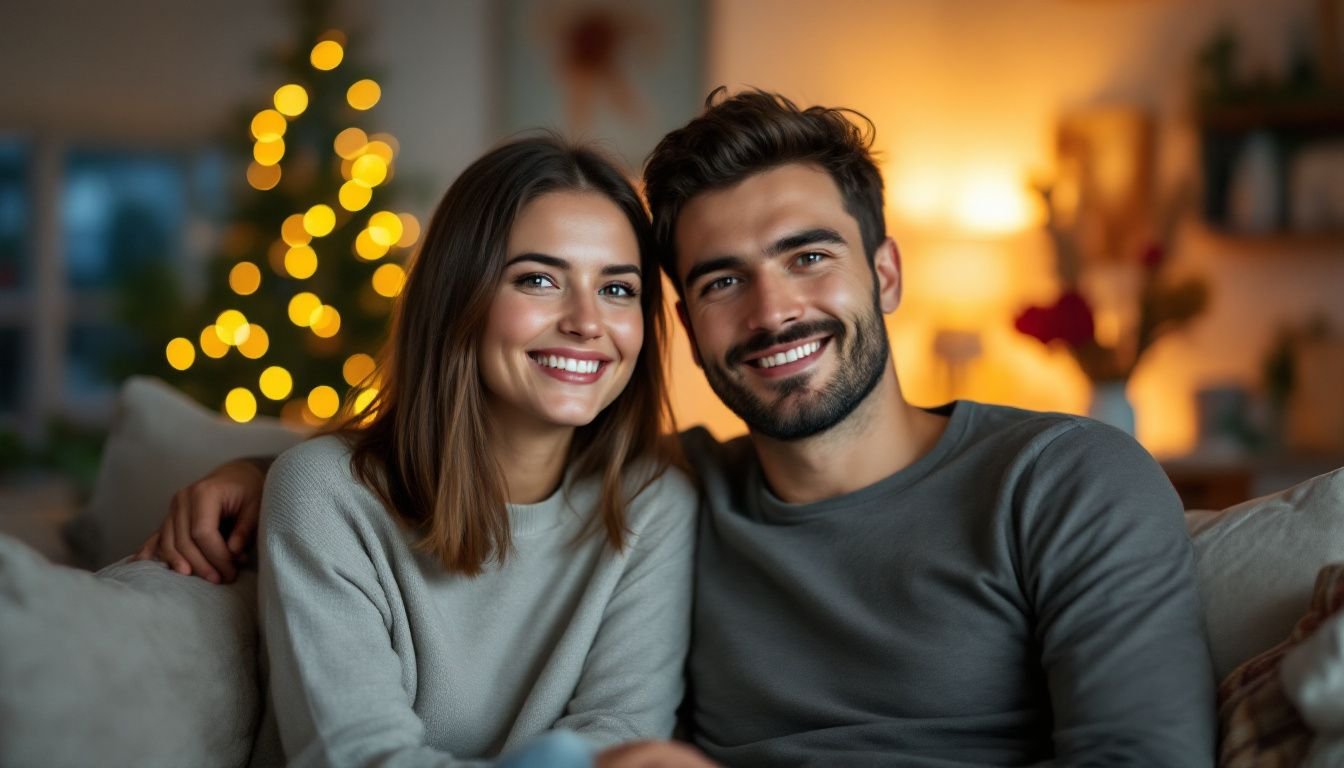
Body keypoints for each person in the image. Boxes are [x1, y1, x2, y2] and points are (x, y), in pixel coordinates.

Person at [140, 91, 1217, 767]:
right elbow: (462, 460)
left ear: (884, 273)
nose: (771, 311)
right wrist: (258, 465)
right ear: (687, 330)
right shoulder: (677, 491)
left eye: (809, 257)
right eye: (719, 281)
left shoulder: (1068, 480)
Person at [138, 135, 716, 768]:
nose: (586, 320)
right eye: (539, 279)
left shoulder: (655, 504)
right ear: (457, 297)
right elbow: (359, 758)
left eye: (617, 289)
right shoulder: (324, 494)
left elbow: (622, 736)